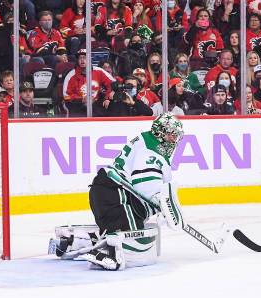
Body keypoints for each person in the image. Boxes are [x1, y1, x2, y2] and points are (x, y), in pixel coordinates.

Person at [71, 113, 185, 270]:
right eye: (172, 136)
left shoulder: (145, 140)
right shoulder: (151, 153)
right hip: (116, 195)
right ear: (160, 133)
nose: (174, 141)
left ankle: (78, 241)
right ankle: (111, 254)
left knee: (122, 229)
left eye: (176, 136)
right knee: (138, 247)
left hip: (106, 191)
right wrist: (166, 209)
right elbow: (146, 189)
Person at [62, 49, 115, 116]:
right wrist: (81, 99)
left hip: (96, 104)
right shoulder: (71, 75)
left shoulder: (99, 71)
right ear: (77, 60)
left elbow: (113, 84)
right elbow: (66, 96)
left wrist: (107, 98)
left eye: (84, 57)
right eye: (80, 58)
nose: (82, 60)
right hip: (77, 105)